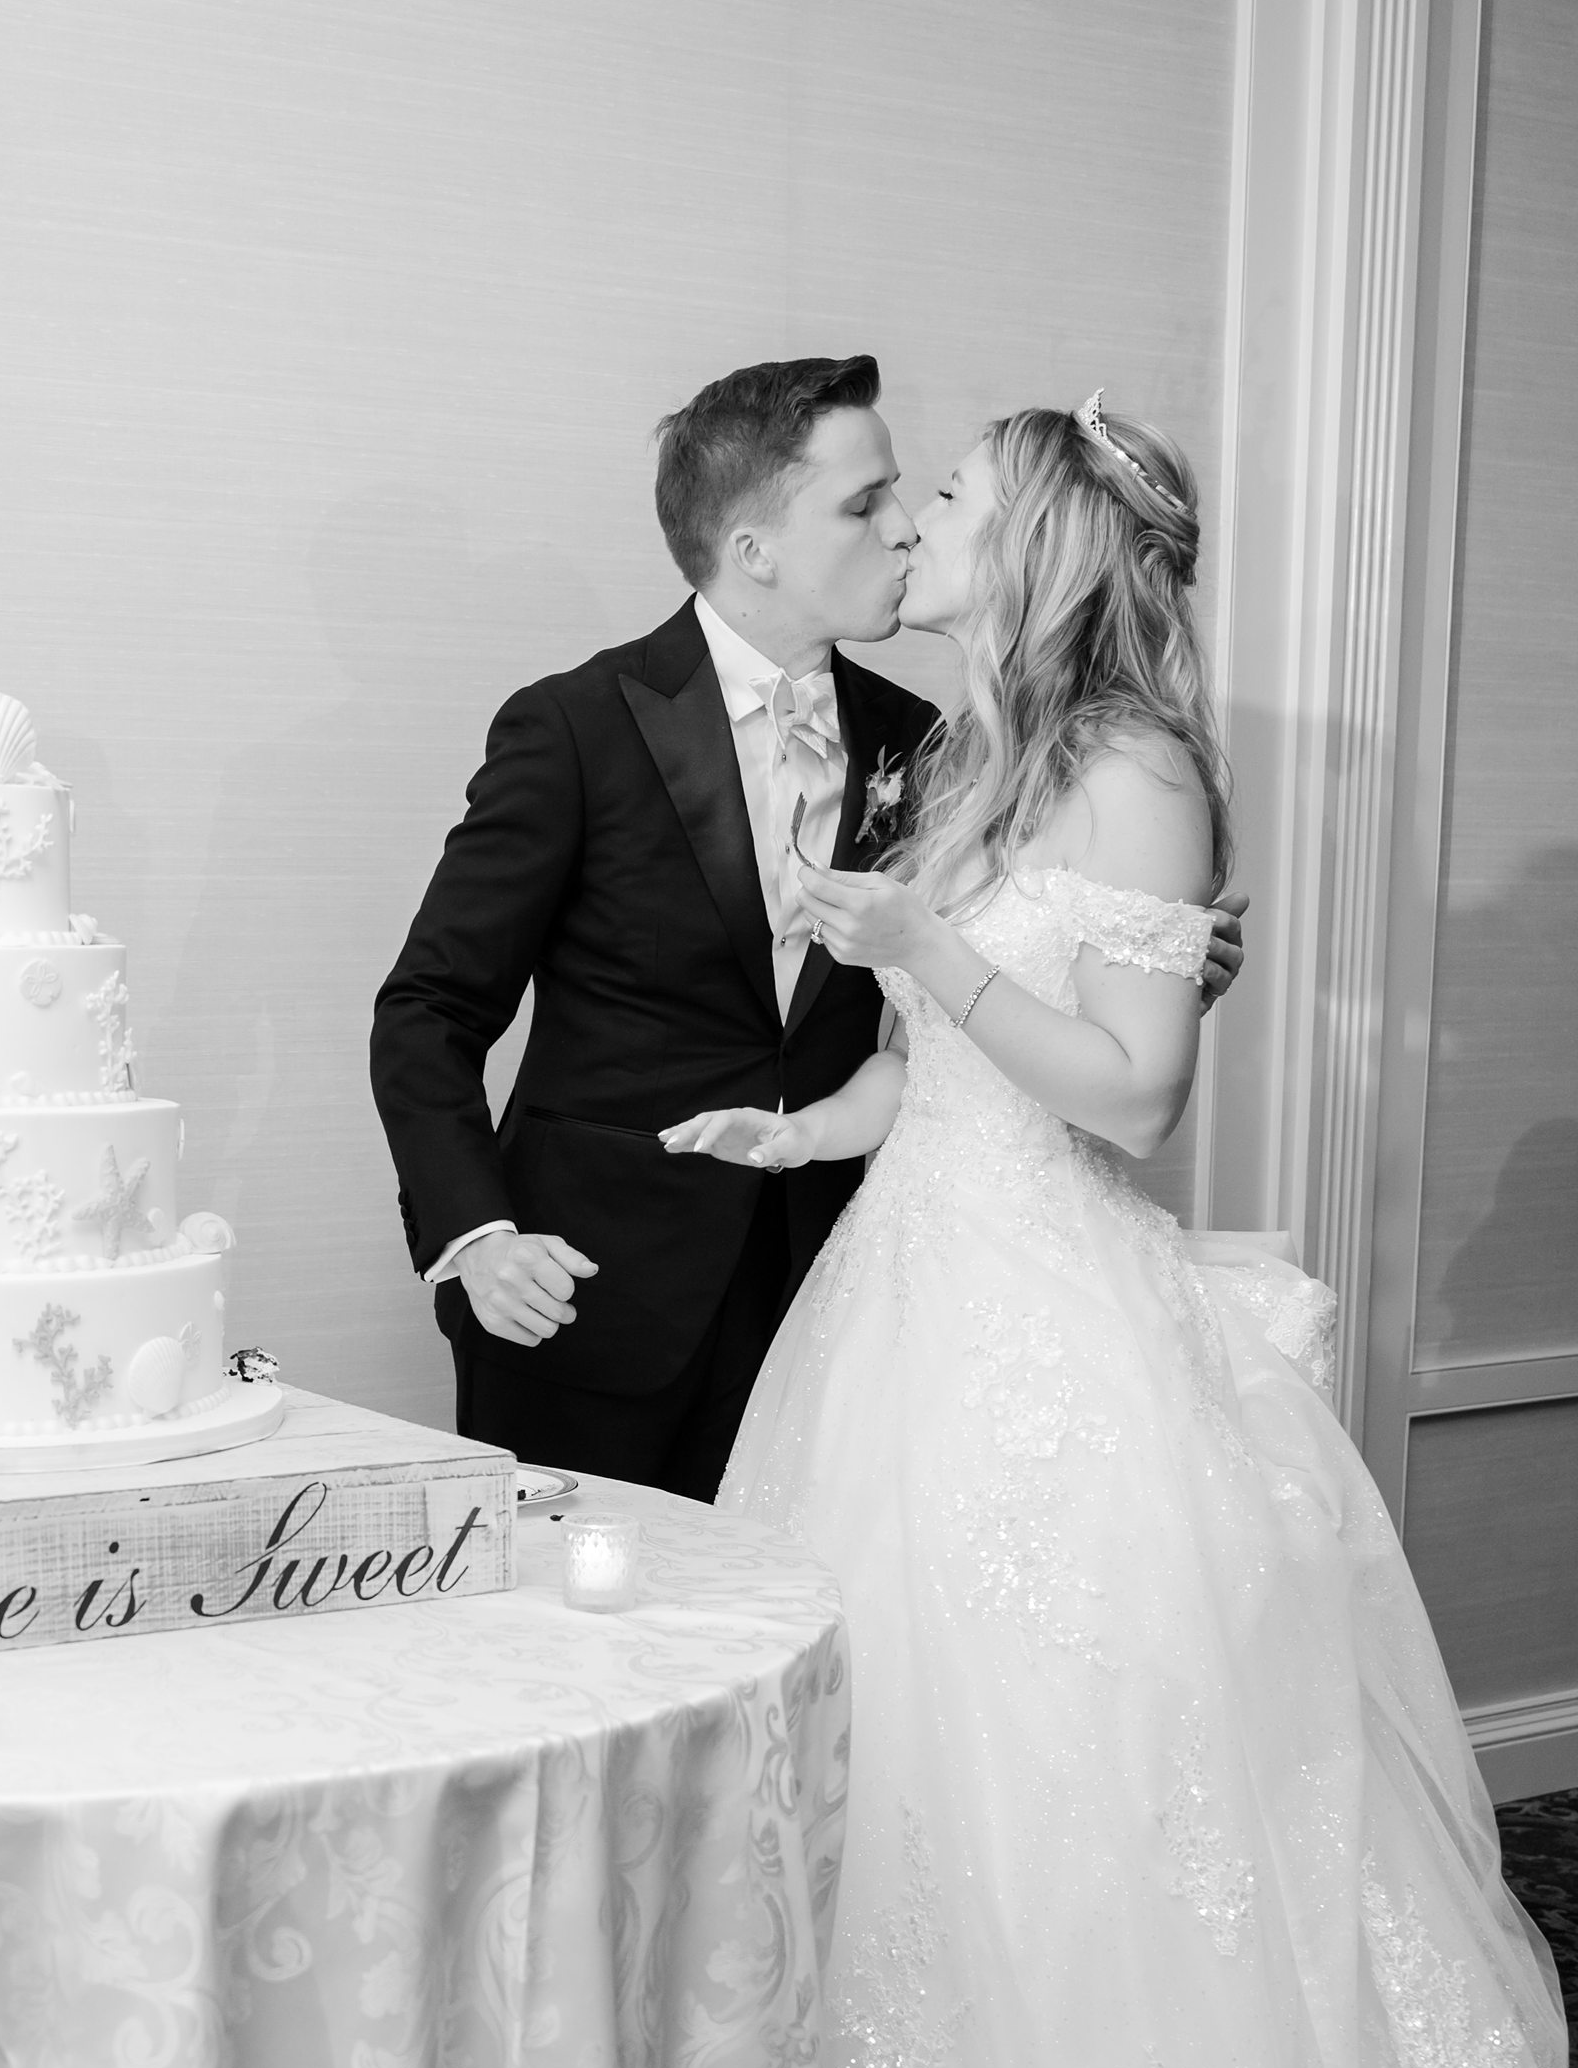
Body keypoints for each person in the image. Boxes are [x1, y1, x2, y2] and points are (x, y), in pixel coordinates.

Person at [666, 396, 1578, 2068]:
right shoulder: (967, 755)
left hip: (1058, 1341)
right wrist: (795, 1130)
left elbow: (1136, 1101)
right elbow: (934, 1079)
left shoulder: (1141, 771)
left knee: (1087, 1786)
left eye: (959, 496)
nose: (930, 524)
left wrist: (931, 952)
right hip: (905, 1314)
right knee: (909, 1801)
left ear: (1049, 536)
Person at [370, 356, 1247, 1502]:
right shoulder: (575, 728)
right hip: (596, 1301)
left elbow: (996, 991)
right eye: (864, 502)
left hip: (846, 1304)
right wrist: (477, 1236)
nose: (900, 529)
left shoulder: (936, 746)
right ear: (756, 551)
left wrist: (1149, 965)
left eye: (911, 494)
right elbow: (429, 1011)